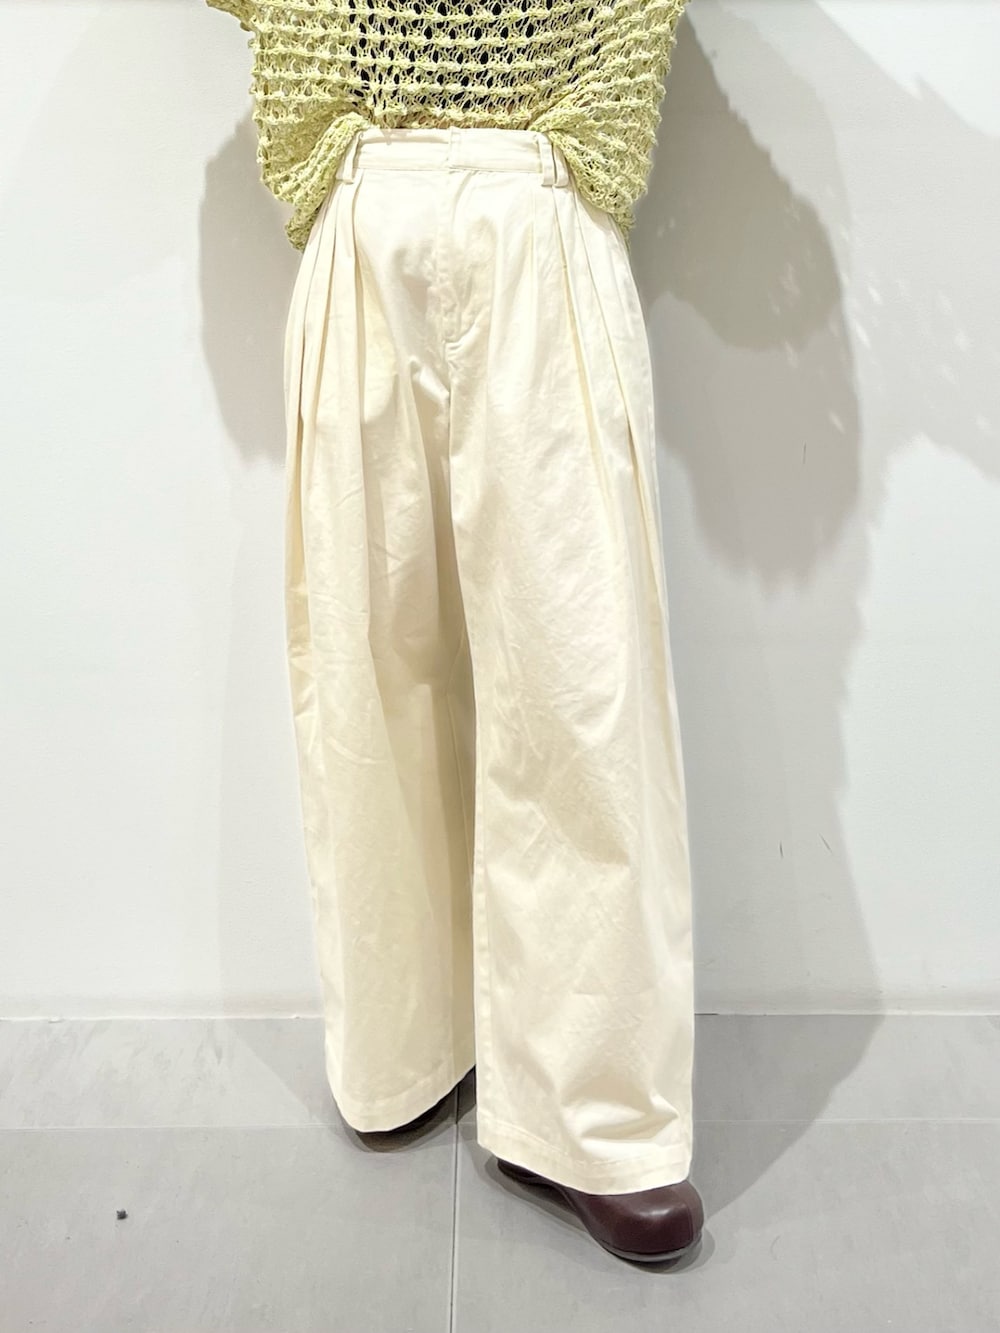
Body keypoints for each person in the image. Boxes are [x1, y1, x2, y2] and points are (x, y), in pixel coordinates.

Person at [207, 0, 703, 1265]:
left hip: (546, 198)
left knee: (579, 686)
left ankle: (594, 1118)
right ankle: (404, 1040)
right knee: (367, 668)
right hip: (362, 196)